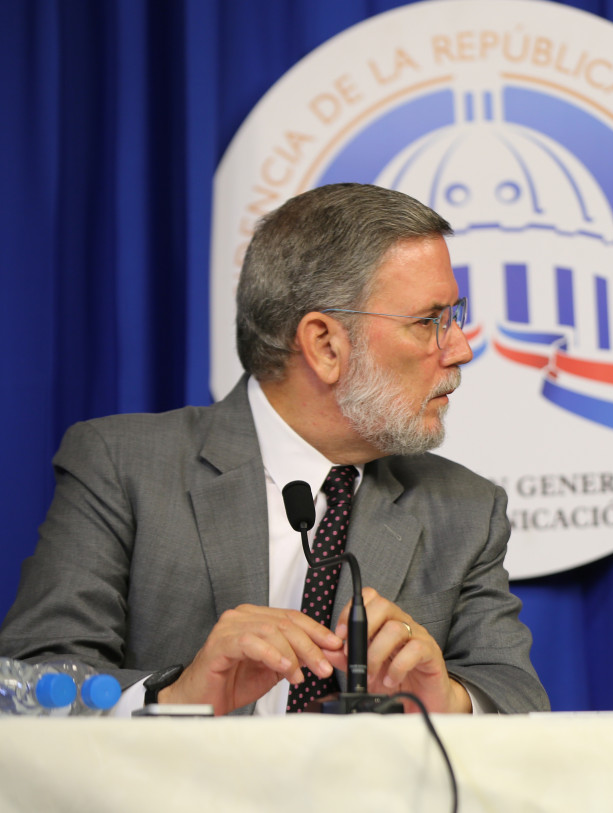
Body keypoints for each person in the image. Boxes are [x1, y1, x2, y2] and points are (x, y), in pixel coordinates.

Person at [0, 183, 548, 716]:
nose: (461, 348)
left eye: (454, 315)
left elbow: (515, 695)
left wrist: (447, 699)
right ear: (325, 345)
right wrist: (173, 699)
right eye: (428, 322)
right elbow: (27, 683)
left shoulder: (465, 508)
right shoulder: (124, 466)